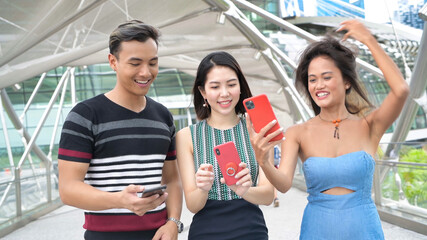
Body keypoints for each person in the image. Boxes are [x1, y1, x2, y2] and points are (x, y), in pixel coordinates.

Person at [247, 20, 409, 239]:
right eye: (312, 80)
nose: (318, 85)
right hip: (317, 229)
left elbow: (400, 90)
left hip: (364, 229)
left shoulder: (369, 126)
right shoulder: (297, 132)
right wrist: (264, 161)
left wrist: (369, 40)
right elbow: (284, 184)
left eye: (327, 77)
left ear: (347, 82)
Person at [58, 20, 183, 240]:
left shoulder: (163, 116)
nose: (146, 72)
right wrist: (120, 200)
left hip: (159, 235)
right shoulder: (85, 115)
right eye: (135, 63)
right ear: (113, 62)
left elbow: (172, 179)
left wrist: (173, 222)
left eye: (152, 63)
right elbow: (68, 189)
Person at [176, 51, 275, 240]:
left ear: (240, 86)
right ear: (203, 92)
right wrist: (203, 189)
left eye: (231, 84)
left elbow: (268, 195)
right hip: (205, 233)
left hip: (251, 231)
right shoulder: (186, 136)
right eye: (215, 86)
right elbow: (193, 205)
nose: (224, 93)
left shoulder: (258, 130)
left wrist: (244, 190)